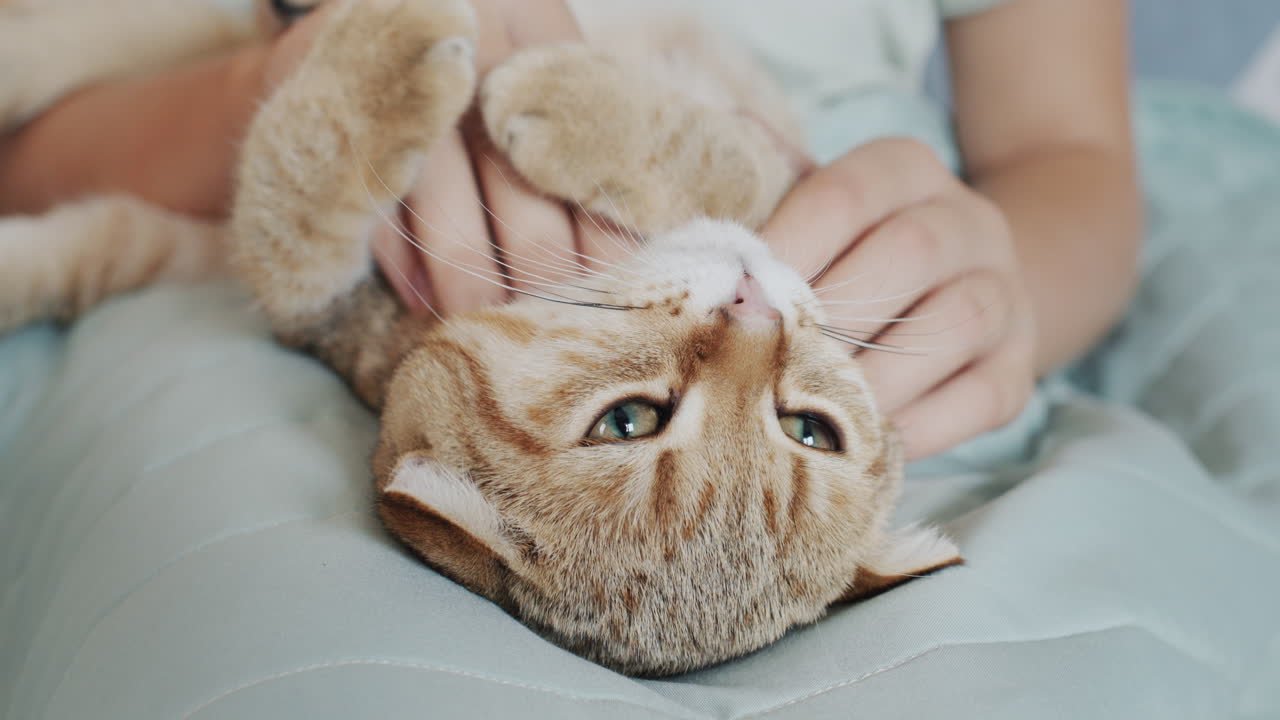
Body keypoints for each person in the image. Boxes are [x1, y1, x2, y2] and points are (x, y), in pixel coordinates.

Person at [0, 0, 1141, 460]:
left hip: (853, 311)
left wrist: (992, 293)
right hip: (273, 284)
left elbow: (1069, 158)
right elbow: (29, 160)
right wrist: (304, 84)